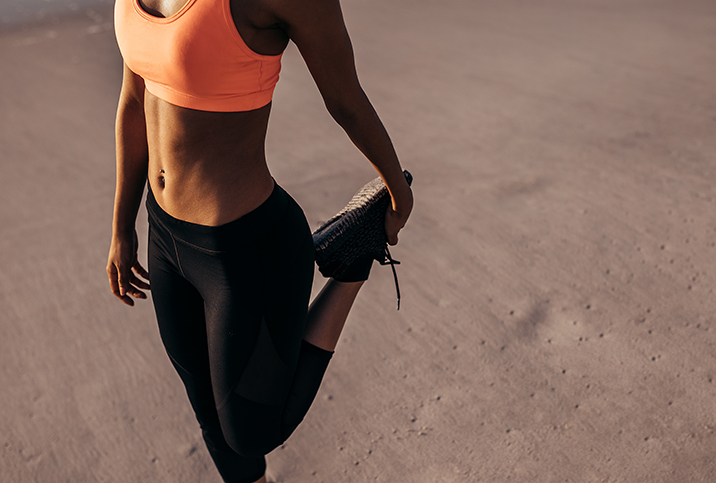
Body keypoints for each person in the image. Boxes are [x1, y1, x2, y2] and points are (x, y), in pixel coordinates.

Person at [106, 0, 413, 481]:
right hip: (164, 234)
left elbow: (346, 101)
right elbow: (132, 101)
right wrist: (122, 227)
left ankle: (355, 260)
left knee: (251, 433)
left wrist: (397, 190)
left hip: (245, 248)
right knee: (207, 409)